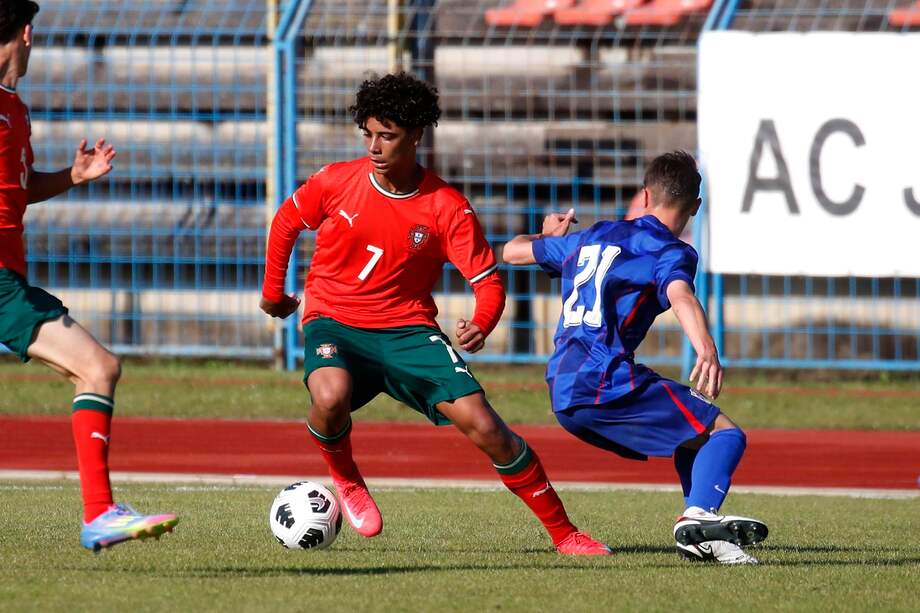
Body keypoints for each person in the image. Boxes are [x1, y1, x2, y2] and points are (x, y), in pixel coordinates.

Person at [261, 72, 609, 555]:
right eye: (368, 133)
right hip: (334, 317)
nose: (375, 146)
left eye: (388, 135)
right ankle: (346, 477)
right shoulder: (335, 181)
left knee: (486, 427)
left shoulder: (447, 207)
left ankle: (565, 534)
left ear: (416, 135)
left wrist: (482, 323)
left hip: (407, 329)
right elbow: (285, 224)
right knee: (329, 392)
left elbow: (487, 281)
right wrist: (273, 294)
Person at [501, 151, 769, 564]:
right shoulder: (671, 251)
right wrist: (707, 349)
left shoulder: (591, 236)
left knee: (691, 433)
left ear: (645, 195)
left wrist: (547, 238)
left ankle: (701, 533)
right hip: (605, 380)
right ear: (696, 206)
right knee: (725, 433)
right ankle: (698, 516)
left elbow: (511, 252)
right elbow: (681, 295)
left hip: (562, 388)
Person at [0, 0, 177, 551]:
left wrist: (71, 178)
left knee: (97, 368)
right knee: (97, 366)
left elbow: (18, 192)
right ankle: (99, 513)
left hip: (8, 278)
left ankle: (101, 513)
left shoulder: (15, 110)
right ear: (27, 33)